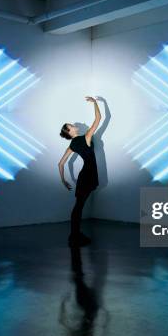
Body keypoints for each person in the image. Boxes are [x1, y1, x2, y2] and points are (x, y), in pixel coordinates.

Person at [58, 96, 101, 247]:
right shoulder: (86, 137)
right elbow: (98, 118)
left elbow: (60, 164)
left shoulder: (72, 145)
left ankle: (75, 234)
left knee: (79, 206)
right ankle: (74, 235)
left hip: (85, 175)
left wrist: (63, 181)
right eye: (72, 125)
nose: (75, 125)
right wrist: (95, 103)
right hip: (88, 175)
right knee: (78, 207)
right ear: (70, 132)